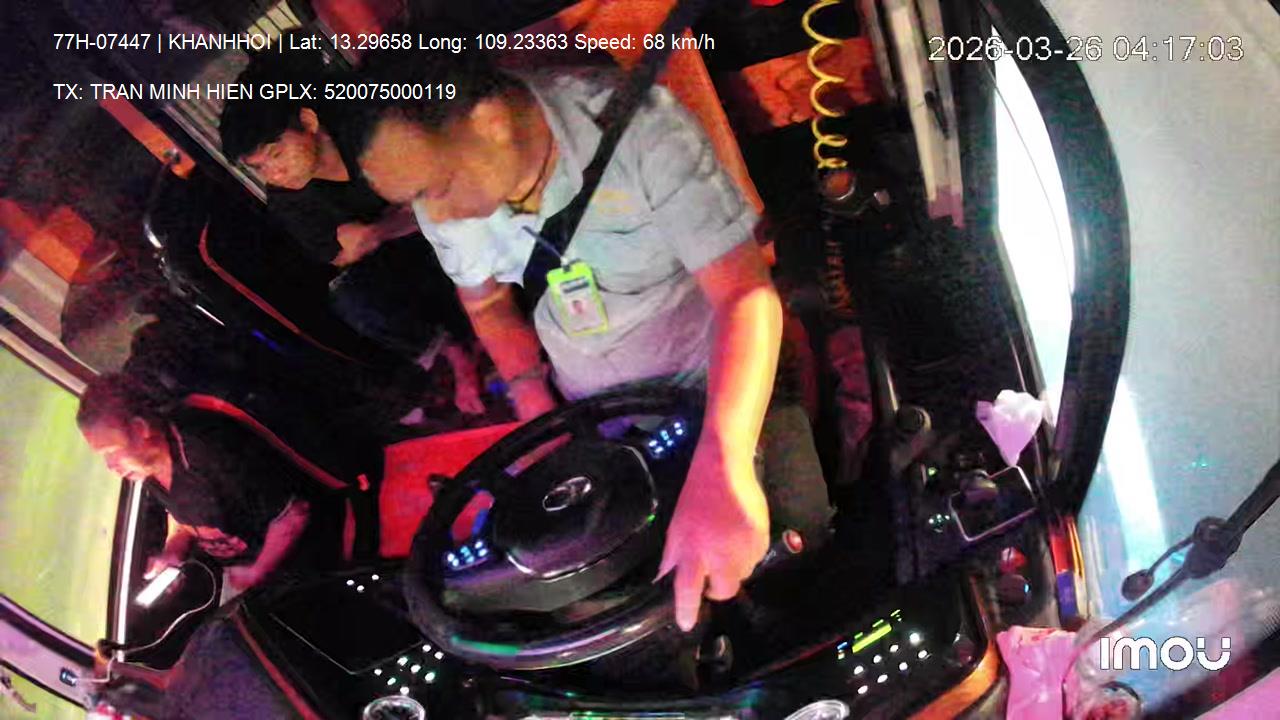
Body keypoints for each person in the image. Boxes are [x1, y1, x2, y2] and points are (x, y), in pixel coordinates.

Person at [333, 54, 830, 631]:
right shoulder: (444, 201)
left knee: (792, 550)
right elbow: (487, 305)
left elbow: (744, 295)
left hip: (717, 379)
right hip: (596, 412)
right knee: (603, 592)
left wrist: (724, 462)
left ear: (491, 121)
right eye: (415, 201)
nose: (434, 216)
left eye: (437, 188)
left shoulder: (639, 129)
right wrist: (542, 417)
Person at [217, 38, 485, 417]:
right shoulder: (288, 199)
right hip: (411, 258)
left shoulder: (368, 124)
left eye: (277, 154)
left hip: (461, 215)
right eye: (260, 168)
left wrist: (380, 230)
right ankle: (454, 354)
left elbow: (442, 180)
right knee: (351, 295)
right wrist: (384, 230)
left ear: (308, 122)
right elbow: (342, 254)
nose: (275, 172)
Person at [77, 374, 344, 592]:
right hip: (249, 574)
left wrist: (257, 571)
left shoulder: (210, 454)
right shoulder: (149, 470)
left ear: (140, 429)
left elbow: (293, 514)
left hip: (309, 568)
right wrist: (173, 550)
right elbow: (183, 513)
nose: (110, 465)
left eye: (112, 451)